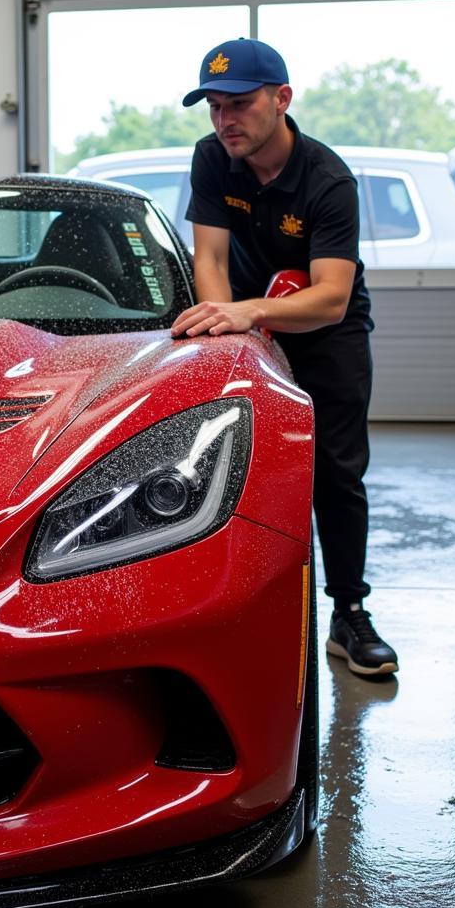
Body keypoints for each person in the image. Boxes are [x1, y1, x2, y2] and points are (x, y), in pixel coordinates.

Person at [171, 38, 397, 677]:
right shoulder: (213, 158)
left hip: (325, 334)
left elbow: (330, 296)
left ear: (282, 99)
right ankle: (229, 610)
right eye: (214, 107)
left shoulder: (328, 180)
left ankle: (349, 615)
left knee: (336, 473)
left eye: (239, 104)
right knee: (227, 467)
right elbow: (210, 259)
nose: (225, 121)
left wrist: (247, 313)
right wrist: (229, 329)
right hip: (248, 327)